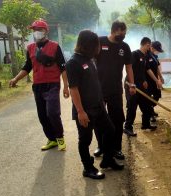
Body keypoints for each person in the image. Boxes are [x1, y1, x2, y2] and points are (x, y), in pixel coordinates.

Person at [66, 29, 124, 179]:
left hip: (98, 106)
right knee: (85, 140)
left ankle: (107, 160)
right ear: (87, 45)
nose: (98, 48)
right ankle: (88, 168)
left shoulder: (89, 59)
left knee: (110, 130)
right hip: (85, 110)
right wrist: (80, 111)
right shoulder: (73, 62)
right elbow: (73, 89)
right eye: (96, 45)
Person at [9, 19, 69, 151]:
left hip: (52, 84)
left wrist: (66, 86)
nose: (36, 33)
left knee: (52, 112)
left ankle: (60, 138)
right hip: (38, 86)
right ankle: (52, 139)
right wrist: (15, 79)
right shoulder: (30, 48)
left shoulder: (55, 46)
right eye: (34, 30)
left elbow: (63, 67)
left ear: (46, 31)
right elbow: (27, 67)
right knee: (42, 115)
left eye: (39, 30)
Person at [92, 21, 134, 160]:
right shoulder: (100, 41)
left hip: (115, 89)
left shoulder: (124, 47)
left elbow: (129, 67)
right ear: (115, 30)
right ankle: (101, 146)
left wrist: (132, 84)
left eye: (125, 33)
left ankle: (117, 148)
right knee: (98, 119)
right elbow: (91, 60)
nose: (124, 35)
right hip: (98, 89)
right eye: (123, 33)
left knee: (117, 119)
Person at [123, 37, 156, 136]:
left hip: (141, 86)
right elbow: (129, 69)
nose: (150, 48)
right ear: (147, 44)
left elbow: (144, 70)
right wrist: (131, 84)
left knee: (146, 104)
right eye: (149, 46)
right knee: (132, 107)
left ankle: (145, 124)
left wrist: (145, 80)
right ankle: (127, 127)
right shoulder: (135, 54)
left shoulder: (145, 56)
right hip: (131, 85)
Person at [146, 41, 164, 122]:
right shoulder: (146, 55)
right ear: (151, 48)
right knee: (149, 97)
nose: (158, 52)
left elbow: (157, 68)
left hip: (155, 81)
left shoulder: (155, 57)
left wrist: (161, 77)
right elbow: (147, 70)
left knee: (157, 96)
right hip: (148, 81)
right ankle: (149, 114)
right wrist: (157, 80)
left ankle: (151, 109)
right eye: (157, 50)